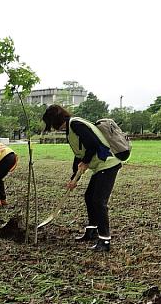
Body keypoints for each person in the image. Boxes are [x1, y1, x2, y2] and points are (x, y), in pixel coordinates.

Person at [41, 105, 122, 252]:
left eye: (51, 124)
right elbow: (78, 155)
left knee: (98, 201)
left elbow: (93, 145)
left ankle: (105, 240)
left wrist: (85, 162)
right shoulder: (71, 129)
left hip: (109, 163)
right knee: (89, 197)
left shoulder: (76, 124)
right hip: (100, 166)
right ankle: (92, 230)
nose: (52, 128)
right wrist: (74, 179)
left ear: (55, 120)